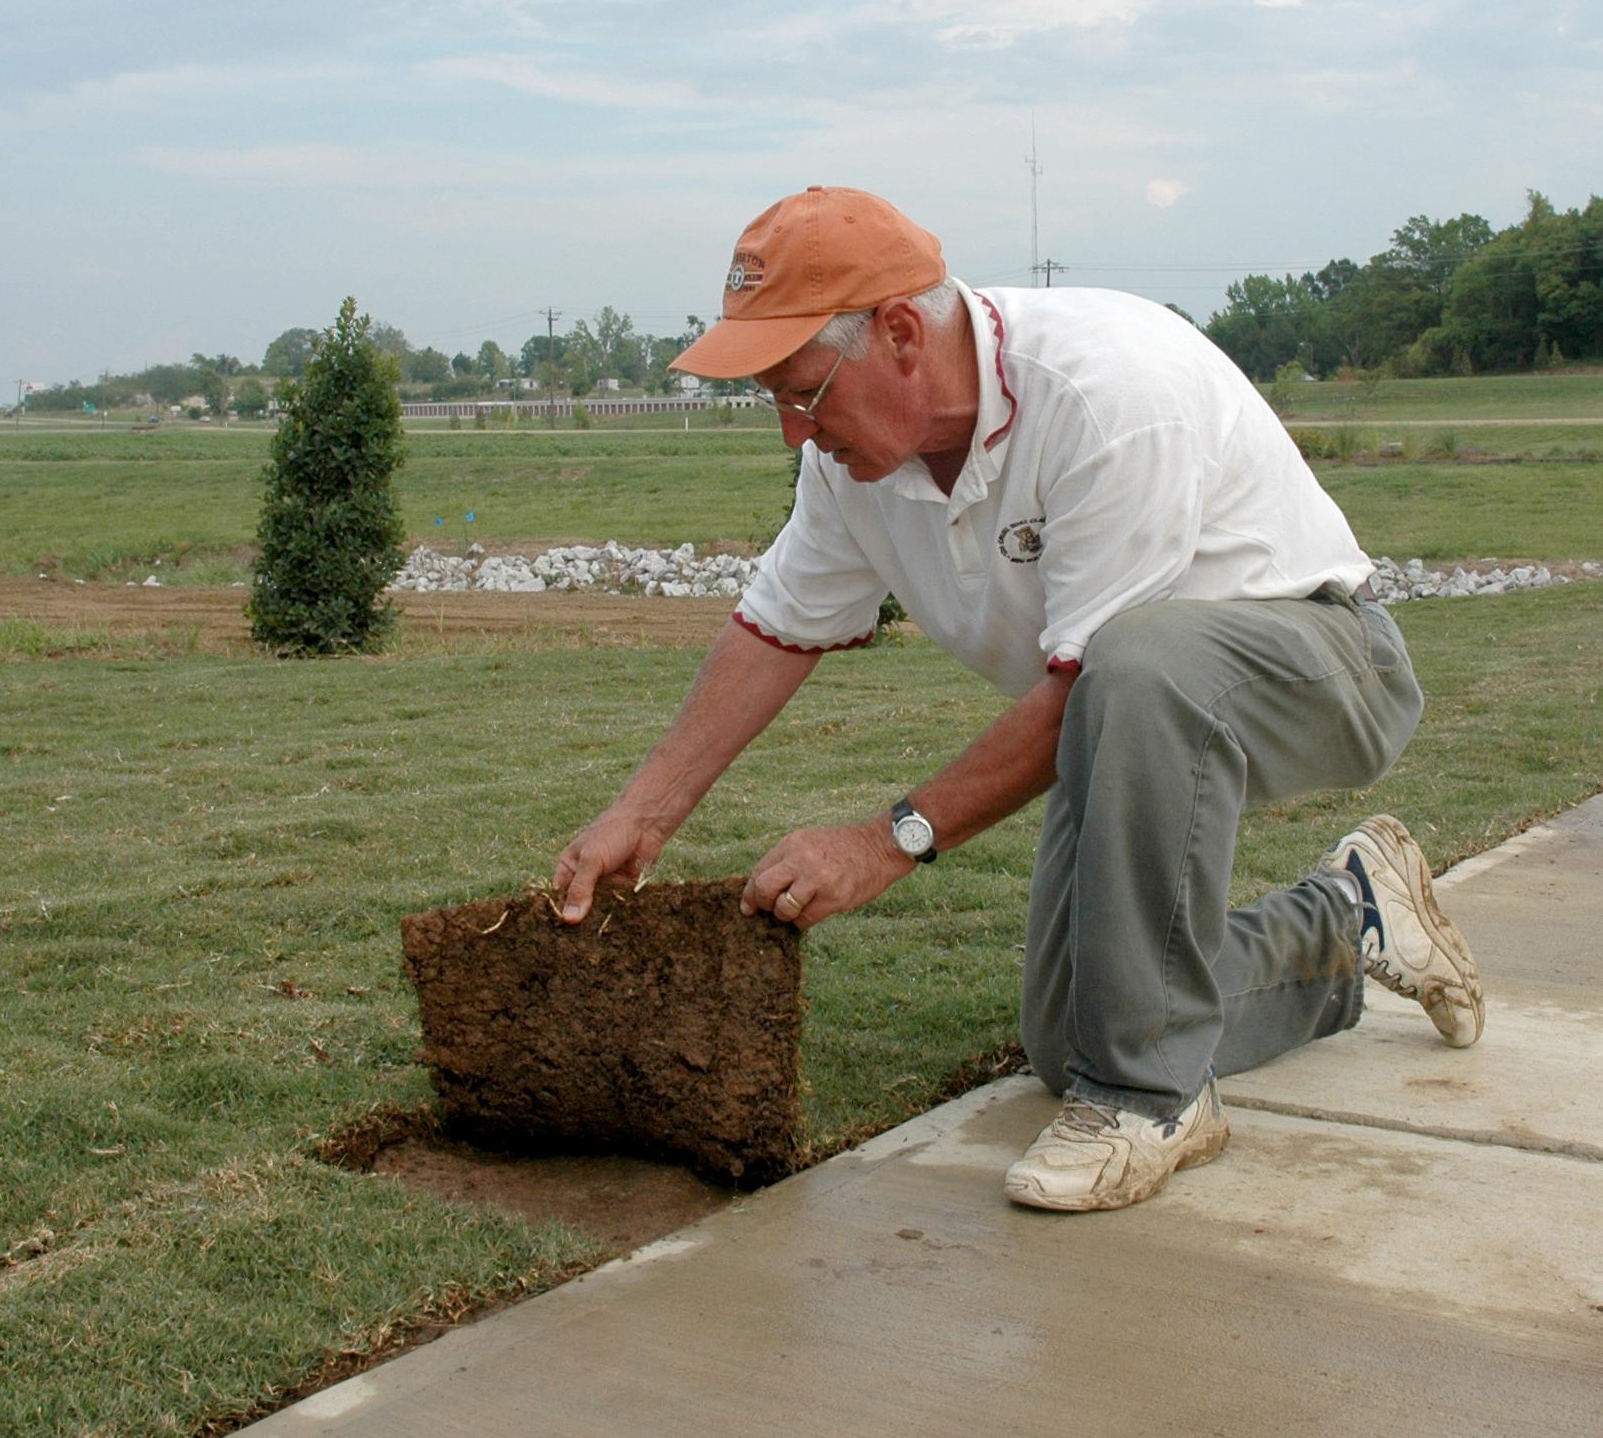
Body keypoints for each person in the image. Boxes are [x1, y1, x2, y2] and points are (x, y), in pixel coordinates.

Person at [554, 186, 1485, 1214]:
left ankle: (1153, 1103)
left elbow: (1089, 675)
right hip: (1129, 717)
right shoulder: (850, 469)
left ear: (901, 333)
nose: (789, 432)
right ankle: (1352, 914)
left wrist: (887, 839)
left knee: (1135, 669)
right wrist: (640, 815)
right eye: (768, 397)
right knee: (1071, 1032)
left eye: (803, 391)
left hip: (1323, 665)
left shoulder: (1103, 391)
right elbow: (773, 629)